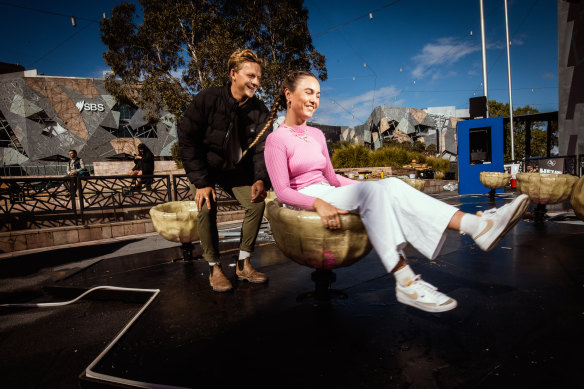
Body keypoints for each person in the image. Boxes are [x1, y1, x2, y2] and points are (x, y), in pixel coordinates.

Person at [263, 70, 530, 313]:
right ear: (289, 94)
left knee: (390, 185)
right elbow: (282, 191)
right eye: (308, 92)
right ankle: (406, 280)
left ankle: (477, 226)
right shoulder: (276, 139)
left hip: (329, 191)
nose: (315, 100)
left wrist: (374, 188)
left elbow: (332, 178)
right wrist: (319, 203)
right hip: (307, 199)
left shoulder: (317, 135)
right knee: (377, 192)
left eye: (318, 94)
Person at [178, 48, 274, 292]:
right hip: (205, 168)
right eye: (251, 76)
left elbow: (263, 149)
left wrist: (261, 179)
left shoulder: (259, 111)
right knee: (206, 204)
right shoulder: (208, 99)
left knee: (256, 204)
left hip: (235, 170)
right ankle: (214, 267)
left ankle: (243, 263)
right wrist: (201, 181)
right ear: (233, 74)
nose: (256, 82)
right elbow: (187, 140)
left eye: (259, 78)